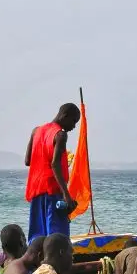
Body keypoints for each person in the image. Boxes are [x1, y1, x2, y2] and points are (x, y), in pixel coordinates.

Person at [23, 103, 80, 242]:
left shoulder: (36, 131)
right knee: (57, 237)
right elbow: (54, 164)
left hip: (36, 191)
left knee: (38, 236)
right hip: (53, 191)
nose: (74, 127)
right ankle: (57, 262)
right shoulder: (60, 135)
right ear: (64, 116)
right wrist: (66, 195)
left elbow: (27, 161)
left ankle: (36, 262)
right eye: (73, 121)